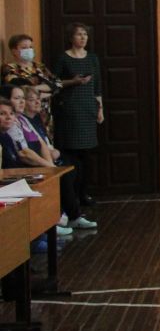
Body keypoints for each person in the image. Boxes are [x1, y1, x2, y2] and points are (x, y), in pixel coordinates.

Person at [7, 84, 91, 231]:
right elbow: (24, 153)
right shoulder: (12, 123)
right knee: (57, 176)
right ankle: (52, 222)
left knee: (68, 169)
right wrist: (50, 167)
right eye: (17, 98)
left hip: (38, 162)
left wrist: (51, 166)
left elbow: (41, 143)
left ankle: (69, 216)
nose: (21, 102)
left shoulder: (23, 120)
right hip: (20, 167)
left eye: (22, 98)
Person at [52, 23, 103, 209]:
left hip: (88, 108)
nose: (83, 38)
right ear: (71, 38)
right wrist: (73, 81)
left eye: (85, 35)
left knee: (87, 155)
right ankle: (72, 195)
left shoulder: (92, 58)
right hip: (71, 109)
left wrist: (100, 108)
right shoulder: (63, 58)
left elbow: (97, 86)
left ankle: (84, 193)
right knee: (72, 153)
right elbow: (54, 82)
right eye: (79, 34)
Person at [3, 34, 57, 134]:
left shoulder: (39, 67)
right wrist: (45, 89)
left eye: (30, 47)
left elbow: (57, 84)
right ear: (14, 51)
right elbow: (20, 87)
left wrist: (35, 89)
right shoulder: (9, 68)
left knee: (46, 139)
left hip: (45, 112)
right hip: (25, 112)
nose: (29, 50)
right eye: (24, 48)